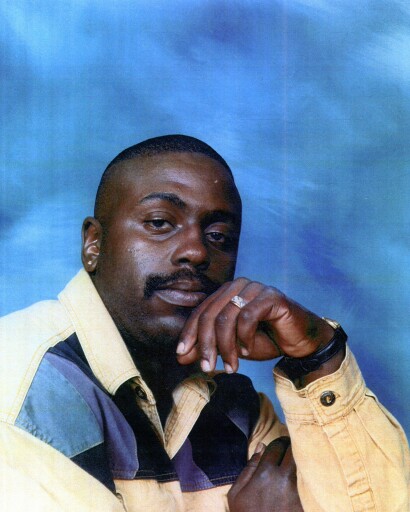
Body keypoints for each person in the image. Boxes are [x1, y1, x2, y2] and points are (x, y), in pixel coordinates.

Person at [0, 135, 408, 512]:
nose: (196, 251)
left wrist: (317, 356)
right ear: (94, 244)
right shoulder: (22, 387)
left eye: (218, 236)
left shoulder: (235, 407)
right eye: (160, 222)